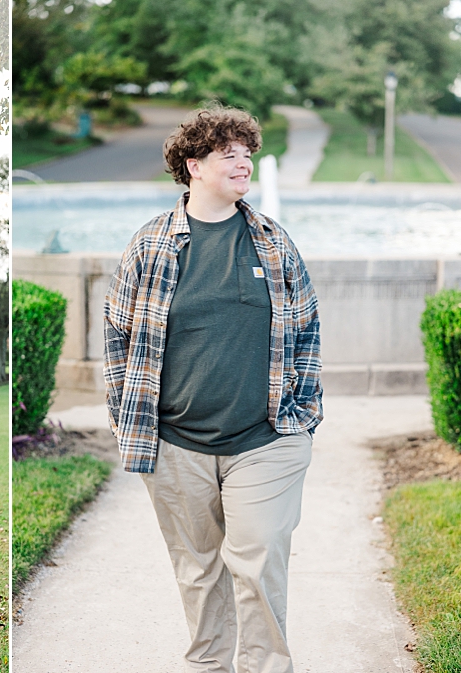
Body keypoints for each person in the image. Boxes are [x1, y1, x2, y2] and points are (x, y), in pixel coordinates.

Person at [103, 105, 323, 673]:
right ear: (193, 165)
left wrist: (302, 421)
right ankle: (208, 666)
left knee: (258, 566)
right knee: (198, 572)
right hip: (176, 445)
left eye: (247, 154)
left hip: (267, 440)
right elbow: (118, 340)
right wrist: (129, 420)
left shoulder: (274, 244)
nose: (243, 163)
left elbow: (307, 334)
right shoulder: (150, 246)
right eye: (229, 153)